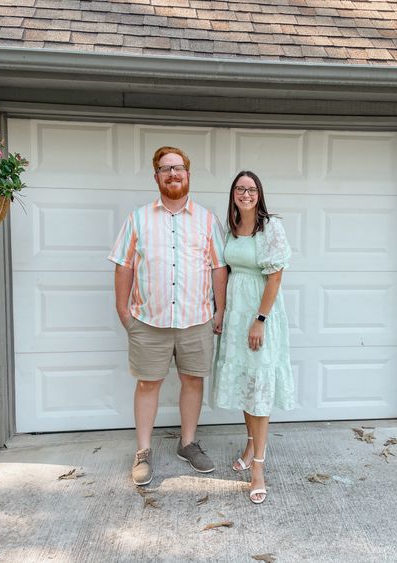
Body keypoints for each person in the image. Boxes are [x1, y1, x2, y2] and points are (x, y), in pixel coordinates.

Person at [109, 146, 227, 486]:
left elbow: (219, 269)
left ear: (188, 174)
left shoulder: (206, 220)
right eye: (165, 169)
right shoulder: (138, 219)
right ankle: (143, 451)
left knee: (193, 380)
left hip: (197, 319)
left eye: (178, 168)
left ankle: (187, 443)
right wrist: (123, 311)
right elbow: (124, 266)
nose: (172, 174)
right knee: (148, 384)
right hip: (149, 321)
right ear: (156, 176)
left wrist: (219, 311)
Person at [213, 170, 294, 504]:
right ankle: (250, 444)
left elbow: (275, 278)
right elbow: (226, 271)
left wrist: (259, 320)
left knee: (259, 389)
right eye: (239, 189)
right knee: (246, 383)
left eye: (251, 189)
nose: (245, 194)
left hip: (260, 315)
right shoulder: (232, 228)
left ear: (259, 194)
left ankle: (258, 468)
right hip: (236, 315)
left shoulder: (271, 227)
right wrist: (222, 311)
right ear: (233, 194)